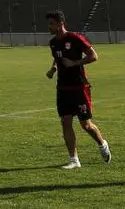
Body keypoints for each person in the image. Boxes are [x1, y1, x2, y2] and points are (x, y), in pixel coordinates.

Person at [45, 11, 111, 169]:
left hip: (79, 87)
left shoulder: (75, 38)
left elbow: (93, 56)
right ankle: (74, 160)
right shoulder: (53, 42)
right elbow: (57, 56)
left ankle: (102, 144)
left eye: (51, 24)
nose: (49, 27)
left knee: (85, 125)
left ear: (60, 23)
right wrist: (53, 68)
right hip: (62, 88)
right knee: (65, 122)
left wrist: (75, 63)